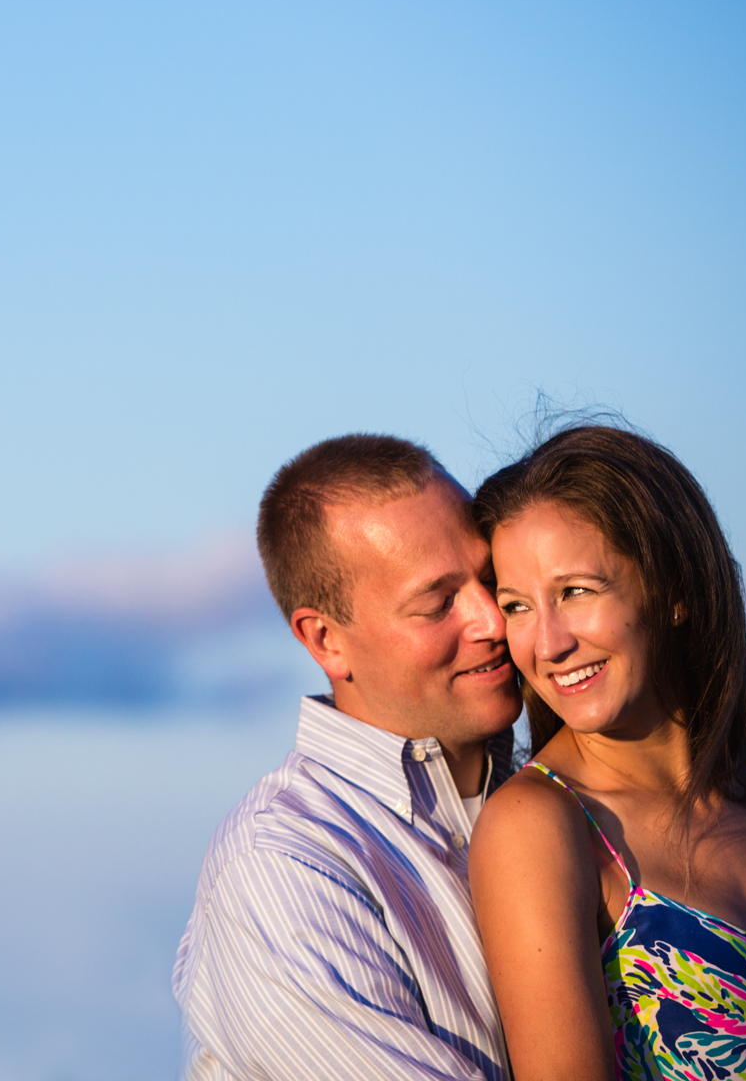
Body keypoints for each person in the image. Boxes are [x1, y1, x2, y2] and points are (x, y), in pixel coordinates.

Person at [468, 425, 746, 1081]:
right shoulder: (540, 826)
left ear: (675, 592)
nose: (547, 644)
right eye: (517, 606)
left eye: (575, 592)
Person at [174, 433, 522, 1081]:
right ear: (326, 640)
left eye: (492, 580)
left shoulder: (566, 798)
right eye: (439, 602)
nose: (491, 620)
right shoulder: (281, 869)